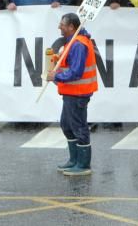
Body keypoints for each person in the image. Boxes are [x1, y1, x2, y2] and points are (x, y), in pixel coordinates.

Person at [46, 13, 98, 176]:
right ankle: (74, 159)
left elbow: (76, 72)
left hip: (78, 93)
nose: (59, 27)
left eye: (62, 24)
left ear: (71, 27)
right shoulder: (73, 42)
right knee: (67, 125)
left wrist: (56, 76)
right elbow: (68, 64)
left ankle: (83, 164)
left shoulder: (78, 44)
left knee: (78, 127)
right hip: (71, 92)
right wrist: (55, 61)